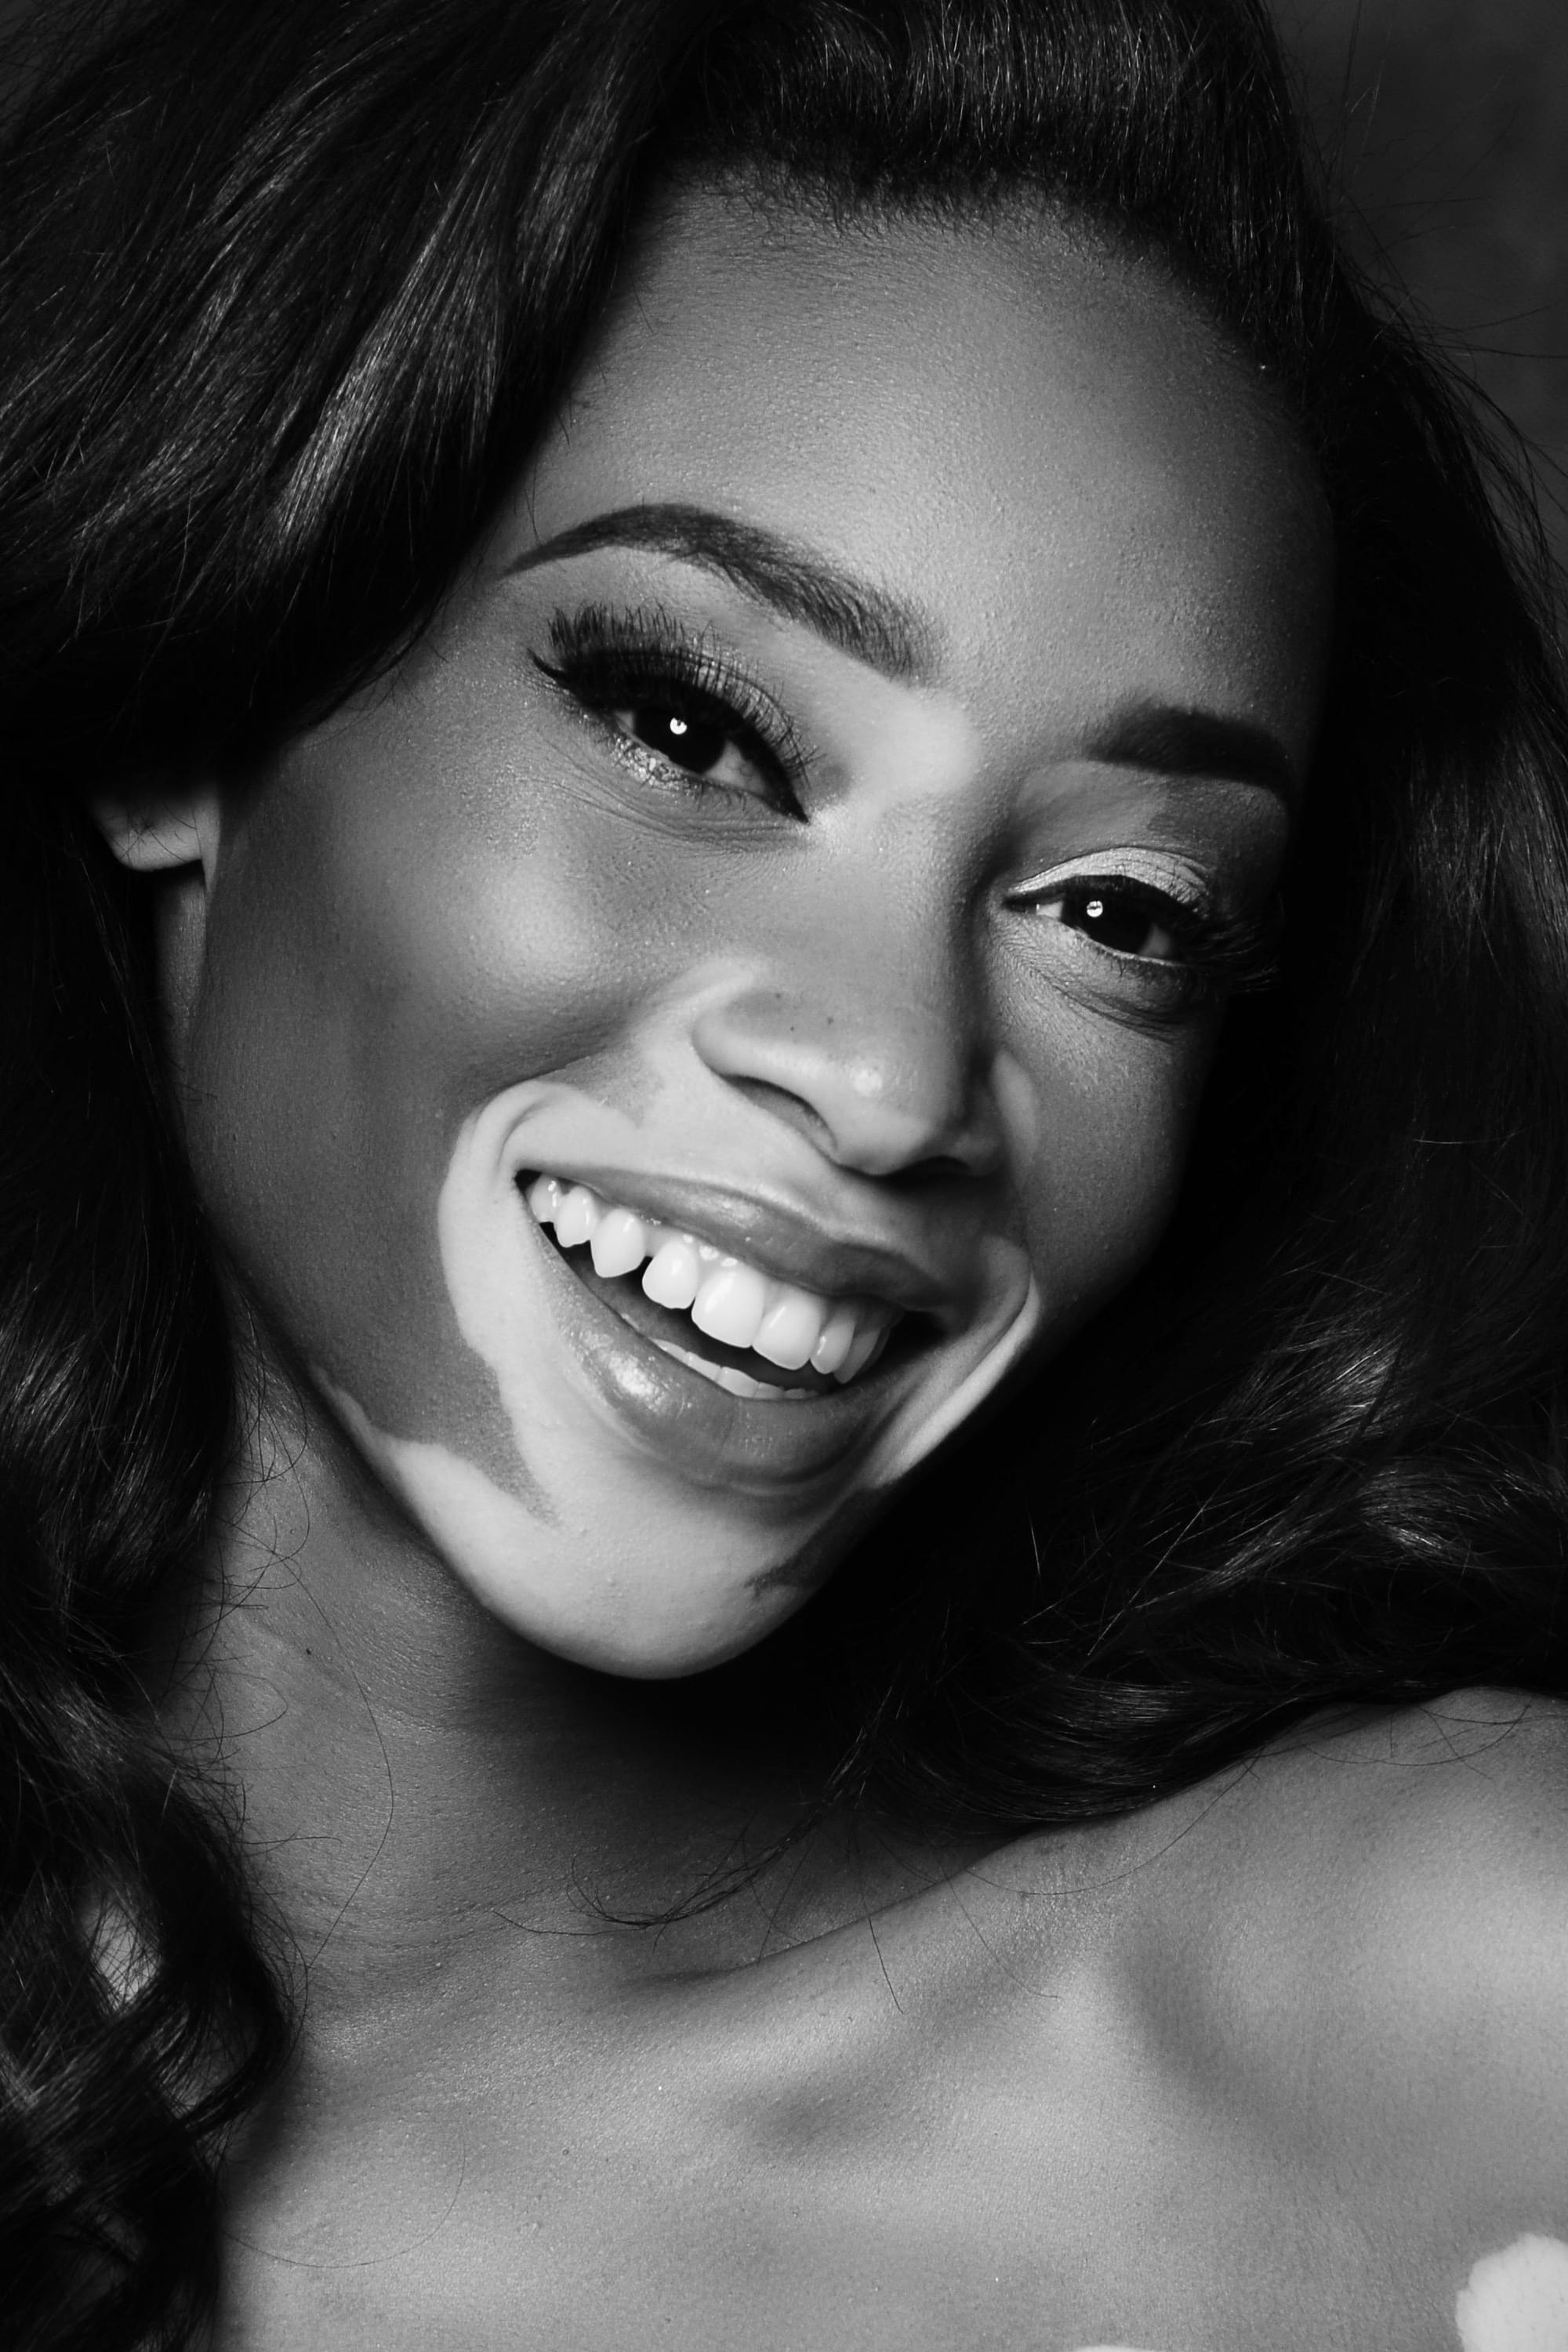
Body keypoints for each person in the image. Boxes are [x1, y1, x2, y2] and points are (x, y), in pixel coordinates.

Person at [2, 0, 1566, 2343]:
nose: (894, 1075)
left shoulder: (1446, 2022)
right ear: (201, 693)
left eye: (1120, 913)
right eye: (691, 728)